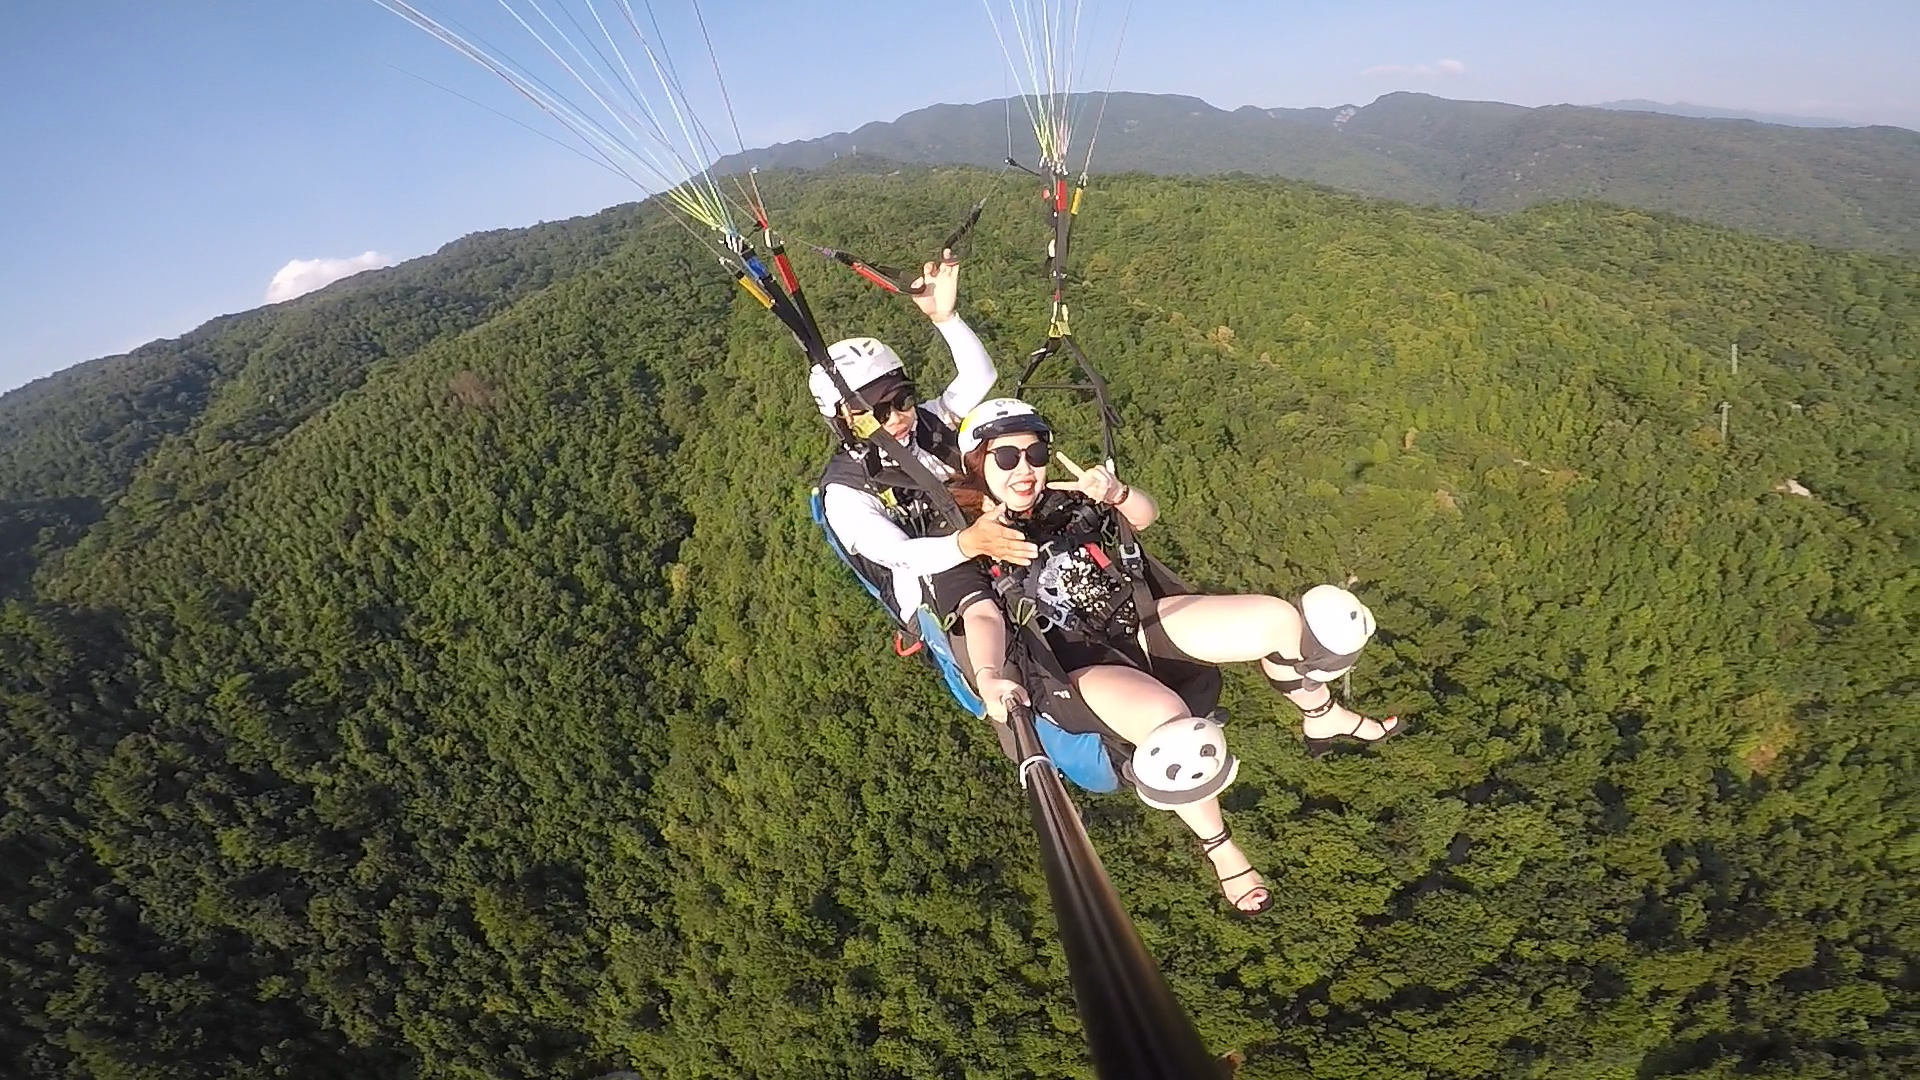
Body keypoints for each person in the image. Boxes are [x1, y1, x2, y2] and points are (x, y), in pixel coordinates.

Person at [929, 398, 1407, 916]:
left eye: (1036, 452)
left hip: (1132, 620)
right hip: (1069, 665)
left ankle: (1321, 714)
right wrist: (990, 676)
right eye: (1007, 458)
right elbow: (980, 615)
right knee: (1173, 728)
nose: (1026, 468)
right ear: (978, 464)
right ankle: (1221, 848)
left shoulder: (1062, 502)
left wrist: (1117, 493)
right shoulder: (961, 540)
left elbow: (1145, 516)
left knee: (1286, 621)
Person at [811, 252, 1037, 625]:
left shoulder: (928, 424)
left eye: (903, 400)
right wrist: (968, 545)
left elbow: (980, 377)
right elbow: (898, 554)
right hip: (938, 593)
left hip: (991, 546)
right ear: (844, 423)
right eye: (879, 413)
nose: (899, 417)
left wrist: (945, 318)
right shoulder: (847, 492)